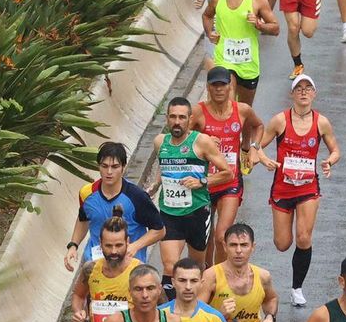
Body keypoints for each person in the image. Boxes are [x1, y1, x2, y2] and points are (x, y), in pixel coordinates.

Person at [254, 74, 341, 305]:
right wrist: (263, 158)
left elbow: (335, 150)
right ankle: (295, 280)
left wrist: (329, 162)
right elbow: (256, 146)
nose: (303, 91)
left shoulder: (321, 122)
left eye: (308, 88)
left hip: (308, 188)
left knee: (303, 238)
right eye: (299, 88)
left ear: (314, 94)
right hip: (282, 188)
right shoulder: (279, 121)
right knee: (282, 244)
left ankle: (297, 288)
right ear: (292, 94)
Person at [154, 97, 235, 277]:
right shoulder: (160, 142)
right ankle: (173, 297)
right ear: (167, 118)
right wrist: (156, 183)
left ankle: (198, 294)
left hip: (196, 212)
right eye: (173, 117)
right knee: (170, 267)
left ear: (190, 119)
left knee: (197, 267)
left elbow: (228, 173)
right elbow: (163, 166)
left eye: (182, 117)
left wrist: (202, 182)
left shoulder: (201, 142)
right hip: (169, 212)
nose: (177, 122)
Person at [196, 67, 263, 266]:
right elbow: (182, 138)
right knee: (205, 238)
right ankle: (208, 273)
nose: (219, 89)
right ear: (208, 87)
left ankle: (219, 277)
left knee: (221, 236)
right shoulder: (198, 112)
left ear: (230, 87)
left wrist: (252, 148)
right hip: (204, 182)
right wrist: (203, 140)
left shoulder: (242, 110)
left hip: (230, 181)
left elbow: (258, 125)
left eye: (222, 85)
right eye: (214, 85)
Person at [68, 141, 165, 272]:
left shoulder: (137, 197)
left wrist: (135, 246)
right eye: (104, 166)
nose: (109, 172)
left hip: (129, 269)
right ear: (98, 166)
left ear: (123, 167)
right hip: (95, 266)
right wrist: (73, 245)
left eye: (115, 167)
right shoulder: (87, 193)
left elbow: (159, 230)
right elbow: (83, 219)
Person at [203, 0, 281, 106]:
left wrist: (259, 25)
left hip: (248, 63)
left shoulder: (258, 0)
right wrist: (209, 33)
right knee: (228, 102)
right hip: (224, 60)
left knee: (244, 109)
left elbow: (275, 29)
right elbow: (207, 15)